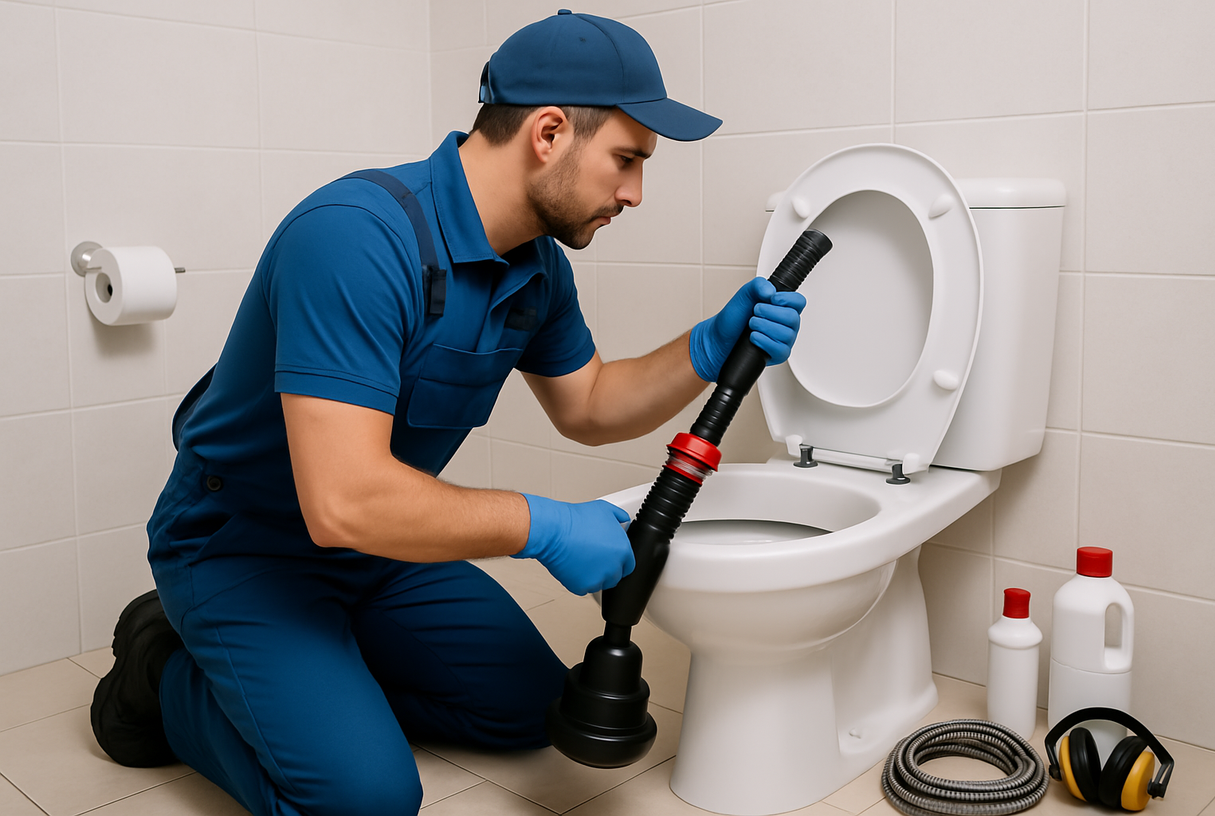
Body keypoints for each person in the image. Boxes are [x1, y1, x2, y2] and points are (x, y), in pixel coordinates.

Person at [89, 10, 806, 816]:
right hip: (243, 551)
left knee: (531, 712)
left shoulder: (532, 267)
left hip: (379, 551)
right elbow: (344, 500)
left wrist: (707, 346)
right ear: (548, 131)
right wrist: (544, 525)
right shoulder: (356, 239)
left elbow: (592, 404)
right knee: (367, 801)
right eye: (628, 160)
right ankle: (167, 669)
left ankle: (320, 678)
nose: (635, 192)